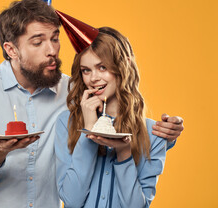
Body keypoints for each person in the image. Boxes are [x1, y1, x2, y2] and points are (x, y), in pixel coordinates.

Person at [0, 0, 183, 207]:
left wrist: (166, 134)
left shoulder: (75, 90)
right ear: (11, 50)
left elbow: (120, 115)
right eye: (38, 42)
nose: (52, 50)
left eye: (55, 38)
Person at [55, 26, 179, 208]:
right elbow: (72, 200)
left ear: (124, 66)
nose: (93, 78)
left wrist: (124, 153)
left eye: (102, 67)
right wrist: (88, 129)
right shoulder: (67, 123)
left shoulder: (154, 135)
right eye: (86, 70)